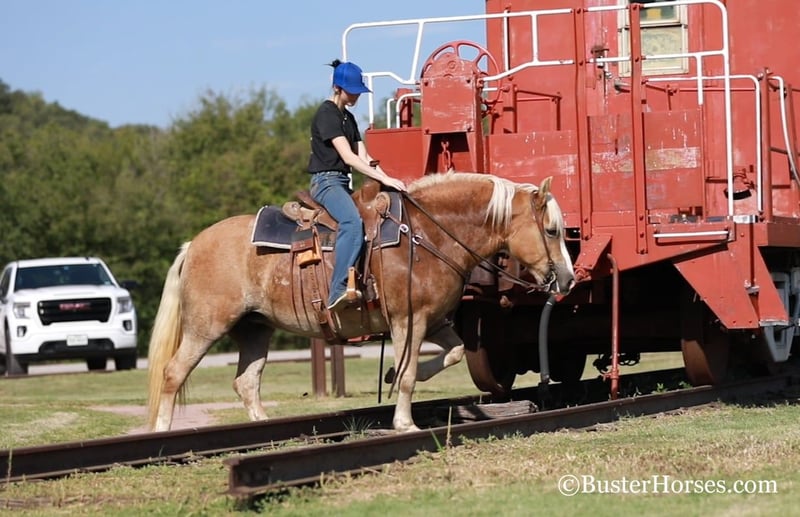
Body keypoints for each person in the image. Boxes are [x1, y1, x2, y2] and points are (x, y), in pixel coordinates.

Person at [308, 59, 407, 311]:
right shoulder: (326, 114)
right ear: (337, 88)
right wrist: (385, 179)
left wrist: (390, 181)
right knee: (352, 222)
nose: (356, 96)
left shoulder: (348, 118)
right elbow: (349, 157)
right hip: (326, 182)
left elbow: (365, 156)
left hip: (342, 183)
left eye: (358, 91)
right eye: (352, 91)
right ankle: (337, 290)